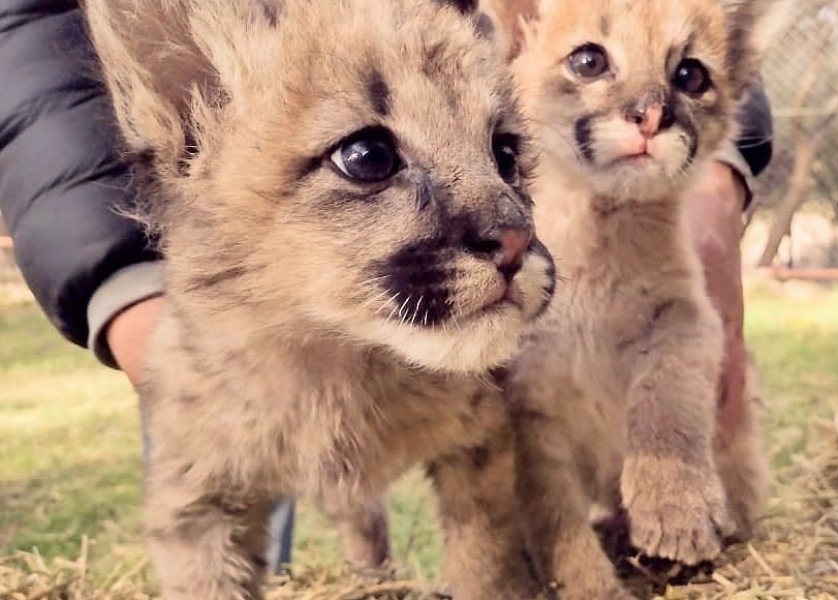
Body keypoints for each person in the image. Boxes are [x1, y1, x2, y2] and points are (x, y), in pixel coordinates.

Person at [0, 0, 772, 574]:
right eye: (369, 157)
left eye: (505, 157)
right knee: (219, 501)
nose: (510, 234)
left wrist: (712, 183)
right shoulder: (217, 90)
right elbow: (33, 28)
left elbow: (686, 23)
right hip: (221, 284)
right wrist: (119, 283)